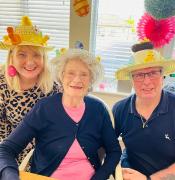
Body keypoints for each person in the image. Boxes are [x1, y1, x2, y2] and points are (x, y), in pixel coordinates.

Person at [0, 48, 121, 180]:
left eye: (84, 74)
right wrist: (10, 175)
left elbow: (114, 151)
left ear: (91, 80)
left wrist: (100, 177)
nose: (77, 79)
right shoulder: (44, 108)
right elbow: (6, 149)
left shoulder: (98, 109)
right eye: (70, 73)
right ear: (61, 76)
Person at [113, 41, 175, 180]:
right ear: (131, 79)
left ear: (163, 75)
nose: (147, 81)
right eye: (138, 75)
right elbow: (107, 146)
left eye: (153, 73)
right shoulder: (120, 109)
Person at [0, 16, 60, 165]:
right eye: (22, 54)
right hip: (11, 150)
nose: (30, 62)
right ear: (11, 57)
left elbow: (59, 127)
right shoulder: (2, 83)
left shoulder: (53, 87)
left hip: (46, 152)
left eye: (36, 55)